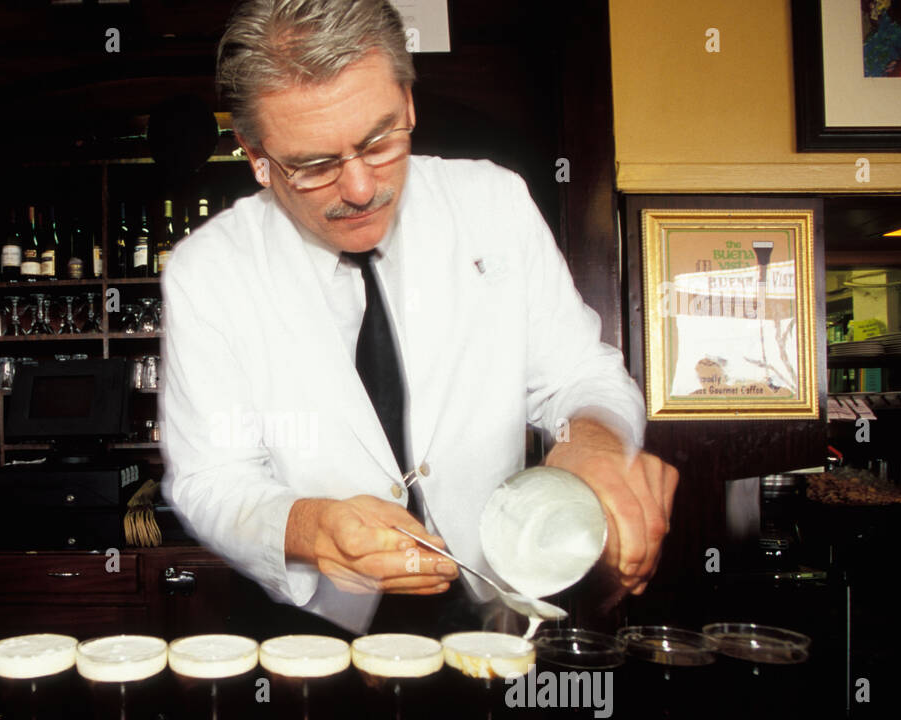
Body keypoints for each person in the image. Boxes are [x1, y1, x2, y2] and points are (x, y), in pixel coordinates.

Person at [159, 0, 678, 637]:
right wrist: (310, 527)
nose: (357, 188)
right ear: (255, 154)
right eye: (314, 164)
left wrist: (594, 443)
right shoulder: (207, 271)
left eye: (379, 141)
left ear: (407, 103)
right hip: (314, 629)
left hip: (499, 606)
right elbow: (210, 480)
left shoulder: (494, 203)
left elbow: (578, 374)